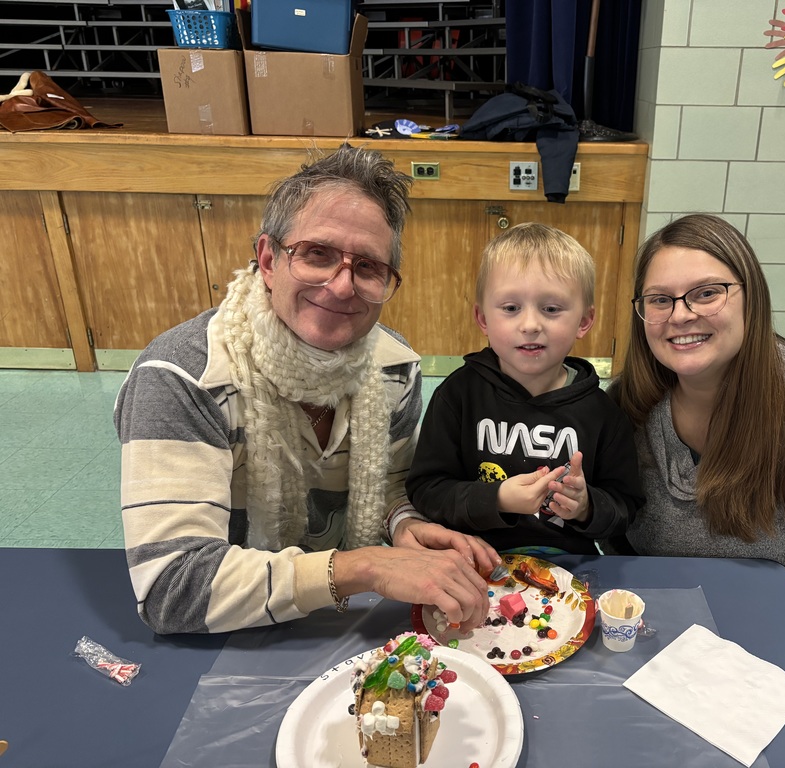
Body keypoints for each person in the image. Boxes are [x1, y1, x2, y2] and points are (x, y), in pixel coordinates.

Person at [114, 145, 499, 635]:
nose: (342, 287)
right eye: (317, 254)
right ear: (269, 259)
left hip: (327, 619)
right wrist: (364, 568)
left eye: (367, 267)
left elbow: (386, 485)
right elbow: (172, 590)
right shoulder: (180, 377)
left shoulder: (395, 367)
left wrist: (403, 523)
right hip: (225, 636)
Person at [607, 214, 785, 582]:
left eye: (707, 293)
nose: (681, 315)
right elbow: (614, 539)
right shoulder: (627, 403)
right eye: (660, 300)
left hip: (777, 627)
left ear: (752, 298)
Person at [405, 222, 644, 555]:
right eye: (511, 308)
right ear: (483, 318)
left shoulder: (603, 414)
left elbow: (625, 507)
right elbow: (427, 490)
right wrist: (498, 498)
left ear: (584, 322)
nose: (530, 325)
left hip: (569, 573)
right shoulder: (457, 396)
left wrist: (587, 506)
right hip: (470, 561)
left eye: (551, 309)